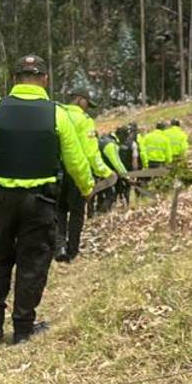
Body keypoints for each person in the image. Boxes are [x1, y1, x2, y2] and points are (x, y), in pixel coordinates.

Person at [0, 55, 94, 345]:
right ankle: (22, 327)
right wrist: (86, 187)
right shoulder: (57, 113)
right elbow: (75, 160)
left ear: (14, 80)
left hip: (1, 200)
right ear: (45, 80)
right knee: (32, 260)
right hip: (41, 202)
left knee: (0, 255)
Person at [56, 88, 112, 263]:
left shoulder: (57, 114)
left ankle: (59, 247)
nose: (88, 108)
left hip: (56, 170)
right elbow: (90, 153)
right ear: (80, 100)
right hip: (78, 172)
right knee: (77, 212)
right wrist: (105, 172)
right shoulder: (85, 120)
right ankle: (72, 250)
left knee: (58, 211)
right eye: (87, 103)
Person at [97, 131, 130, 212]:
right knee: (110, 195)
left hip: (98, 172)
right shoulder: (110, 145)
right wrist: (127, 176)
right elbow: (117, 163)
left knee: (100, 195)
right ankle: (102, 214)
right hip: (107, 173)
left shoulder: (102, 140)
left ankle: (94, 213)